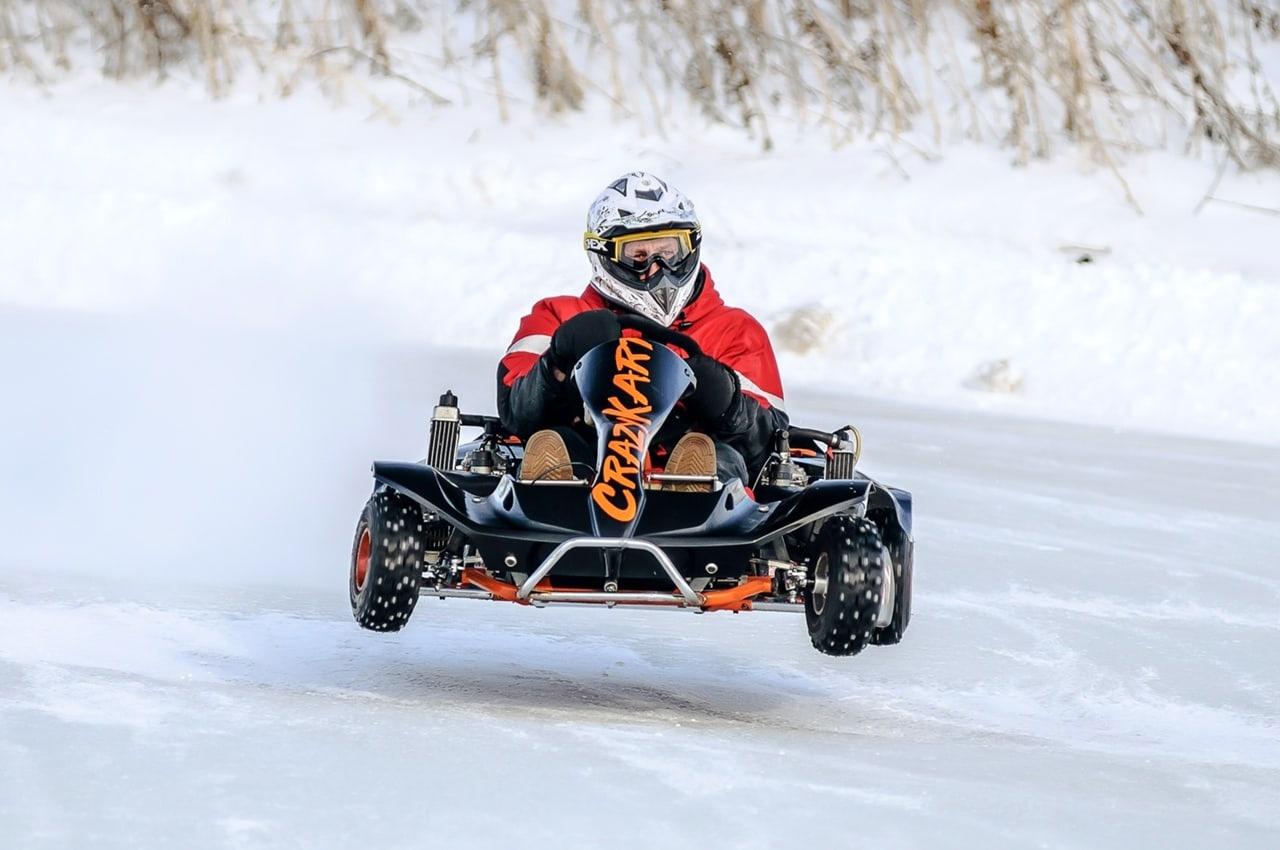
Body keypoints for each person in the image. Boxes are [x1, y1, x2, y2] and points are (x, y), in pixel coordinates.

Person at [496, 171, 787, 491]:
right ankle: (548, 508)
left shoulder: (734, 331)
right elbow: (515, 412)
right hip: (591, 466)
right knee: (557, 446)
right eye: (638, 256)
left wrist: (727, 402)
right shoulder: (557, 316)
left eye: (668, 253)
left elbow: (771, 445)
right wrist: (558, 361)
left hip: (688, 465)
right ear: (603, 254)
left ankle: (690, 501)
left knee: (719, 459)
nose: (657, 270)